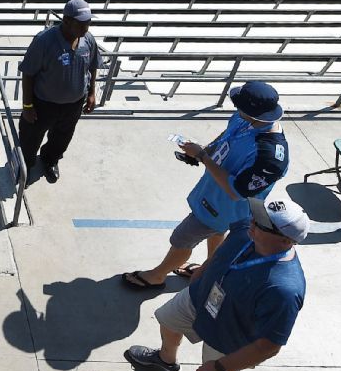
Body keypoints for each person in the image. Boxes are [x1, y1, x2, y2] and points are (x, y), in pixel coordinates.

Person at [124, 195, 308, 371]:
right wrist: (200, 274)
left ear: (285, 240)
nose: (252, 222)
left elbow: (269, 346)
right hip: (200, 297)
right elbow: (220, 252)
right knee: (167, 321)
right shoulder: (246, 230)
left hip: (229, 336)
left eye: (261, 223)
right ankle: (166, 359)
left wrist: (221, 368)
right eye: (255, 216)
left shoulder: (284, 290)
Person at [121, 80, 290, 291]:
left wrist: (202, 157)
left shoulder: (269, 157)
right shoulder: (243, 119)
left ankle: (157, 276)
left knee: (182, 238)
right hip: (212, 196)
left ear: (254, 113)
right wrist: (206, 151)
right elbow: (226, 136)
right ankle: (212, 268)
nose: (236, 108)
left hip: (225, 208)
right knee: (217, 234)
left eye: (240, 105)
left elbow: (237, 191)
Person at [19, 0, 100, 185]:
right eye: (81, 22)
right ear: (66, 20)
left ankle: (50, 160)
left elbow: (93, 66)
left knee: (62, 137)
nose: (86, 27)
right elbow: (28, 74)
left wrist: (91, 93)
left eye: (88, 22)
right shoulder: (44, 41)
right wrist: (27, 105)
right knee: (30, 138)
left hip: (73, 105)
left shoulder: (88, 40)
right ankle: (26, 165)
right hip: (43, 104)